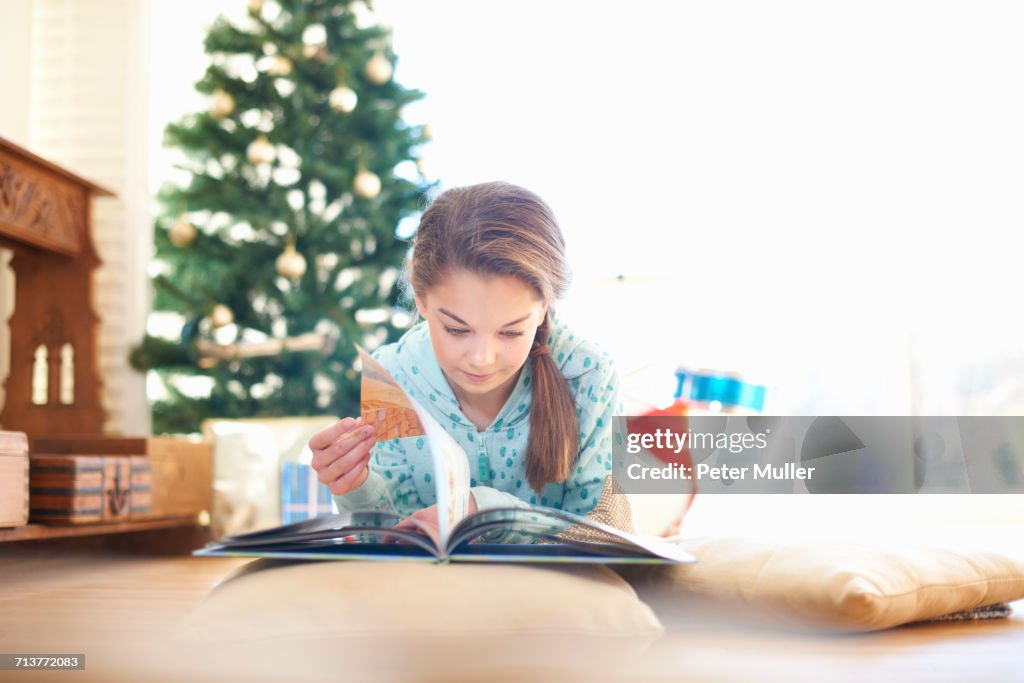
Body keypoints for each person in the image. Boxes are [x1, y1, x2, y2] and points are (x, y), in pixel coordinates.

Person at [308, 181, 625, 543]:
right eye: (457, 330)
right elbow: (390, 539)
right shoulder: (392, 375)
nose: (481, 359)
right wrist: (355, 486)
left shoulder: (589, 374)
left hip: (551, 596)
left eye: (510, 332)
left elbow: (606, 534)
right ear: (421, 298)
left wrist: (487, 512)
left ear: (543, 308)